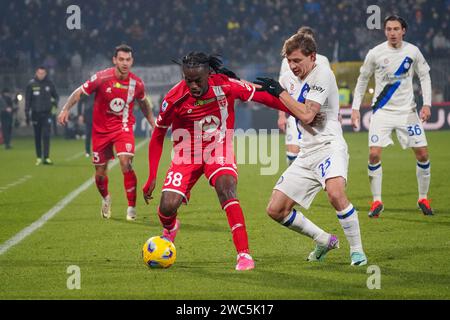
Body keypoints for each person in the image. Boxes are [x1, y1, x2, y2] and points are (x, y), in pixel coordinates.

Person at [142, 52, 292, 271]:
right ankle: (171, 227)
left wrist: (298, 111)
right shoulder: (174, 98)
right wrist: (152, 175)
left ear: (209, 74)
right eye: (188, 80)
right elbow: (158, 134)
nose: (192, 85)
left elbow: (264, 98)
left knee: (226, 188)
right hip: (186, 153)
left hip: (218, 147)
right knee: (167, 207)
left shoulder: (226, 86)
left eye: (197, 80)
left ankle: (244, 254)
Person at [254, 33, 367, 266]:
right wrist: (232, 82)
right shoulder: (289, 77)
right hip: (307, 153)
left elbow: (307, 114)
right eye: (289, 60)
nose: (293, 66)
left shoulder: (323, 73)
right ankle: (323, 239)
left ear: (312, 56)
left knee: (335, 194)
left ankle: (357, 251)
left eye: (297, 60)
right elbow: (266, 92)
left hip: (329, 146)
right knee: (276, 209)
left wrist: (280, 93)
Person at [58, 45, 156, 221]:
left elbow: (143, 103)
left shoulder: (137, 83)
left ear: (132, 61)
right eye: (121, 59)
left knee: (126, 163)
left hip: (123, 127)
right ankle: (106, 198)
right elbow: (79, 92)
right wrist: (65, 109)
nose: (125, 63)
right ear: (115, 60)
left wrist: (153, 122)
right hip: (101, 131)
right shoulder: (102, 78)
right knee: (101, 172)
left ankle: (131, 208)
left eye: (128, 60)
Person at [351, 15, 433, 217]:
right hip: (382, 112)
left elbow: (425, 76)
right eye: (388, 29)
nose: (392, 33)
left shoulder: (412, 51)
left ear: (403, 30)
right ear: (385, 31)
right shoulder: (375, 53)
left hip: (408, 112)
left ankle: (423, 197)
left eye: (396, 29)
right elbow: (363, 80)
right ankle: (377, 201)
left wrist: (427, 104)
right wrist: (355, 108)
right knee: (374, 154)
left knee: (422, 154)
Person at [277, 26, 330, 166]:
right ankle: (294, 178)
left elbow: (328, 89)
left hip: (315, 113)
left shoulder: (323, 61)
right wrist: (281, 115)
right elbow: (282, 89)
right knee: (292, 153)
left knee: (314, 152)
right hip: (293, 111)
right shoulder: (286, 61)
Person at [25, 66, 59, 165]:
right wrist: (27, 112)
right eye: (39, 73)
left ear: (45, 73)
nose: (41, 75)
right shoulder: (31, 84)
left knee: (46, 135)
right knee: (37, 136)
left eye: (43, 73)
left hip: (47, 114)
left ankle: (46, 157)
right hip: (35, 114)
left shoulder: (49, 83)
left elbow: (56, 96)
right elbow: (28, 100)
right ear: (36, 73)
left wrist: (55, 103)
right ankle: (39, 157)